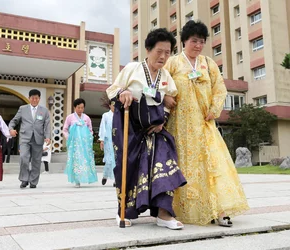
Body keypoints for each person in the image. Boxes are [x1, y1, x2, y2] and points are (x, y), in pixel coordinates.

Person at [164, 20, 249, 226]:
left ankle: (219, 210)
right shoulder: (173, 63)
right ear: (184, 41)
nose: (198, 46)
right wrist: (165, 97)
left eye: (202, 42)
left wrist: (214, 109)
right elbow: (161, 83)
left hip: (204, 124)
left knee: (214, 165)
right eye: (194, 41)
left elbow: (220, 89)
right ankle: (185, 210)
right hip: (180, 126)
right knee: (185, 167)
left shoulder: (208, 63)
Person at [106, 28, 187, 229]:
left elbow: (171, 102)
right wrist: (123, 93)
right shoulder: (132, 69)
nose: (163, 56)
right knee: (129, 166)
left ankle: (163, 214)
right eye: (159, 51)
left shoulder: (166, 76)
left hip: (156, 129)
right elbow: (112, 90)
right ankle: (124, 212)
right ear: (148, 49)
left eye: (168, 53)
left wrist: (162, 121)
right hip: (130, 127)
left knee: (165, 163)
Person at [9, 89, 51, 189]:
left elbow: (47, 125)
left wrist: (48, 137)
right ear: (29, 98)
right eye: (32, 98)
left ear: (39, 99)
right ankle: (24, 179)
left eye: (36, 98)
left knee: (36, 161)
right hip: (25, 138)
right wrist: (11, 129)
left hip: (38, 138)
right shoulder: (22, 109)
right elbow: (14, 120)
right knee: (24, 158)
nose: (34, 100)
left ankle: (33, 181)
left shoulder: (44, 111)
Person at [63, 98, 98, 188]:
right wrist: (69, 138)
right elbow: (65, 130)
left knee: (84, 160)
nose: (80, 110)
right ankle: (77, 180)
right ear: (75, 107)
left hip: (84, 145)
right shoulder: (70, 117)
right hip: (75, 145)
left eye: (82, 108)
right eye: (78, 107)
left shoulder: (86, 118)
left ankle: (85, 177)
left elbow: (90, 130)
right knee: (76, 161)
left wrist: (89, 138)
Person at [98, 100, 116, 187]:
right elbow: (102, 127)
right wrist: (101, 140)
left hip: (117, 141)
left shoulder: (120, 115)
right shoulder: (105, 116)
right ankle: (105, 175)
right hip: (108, 140)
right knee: (109, 160)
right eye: (113, 105)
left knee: (116, 160)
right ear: (109, 105)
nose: (114, 107)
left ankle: (116, 180)